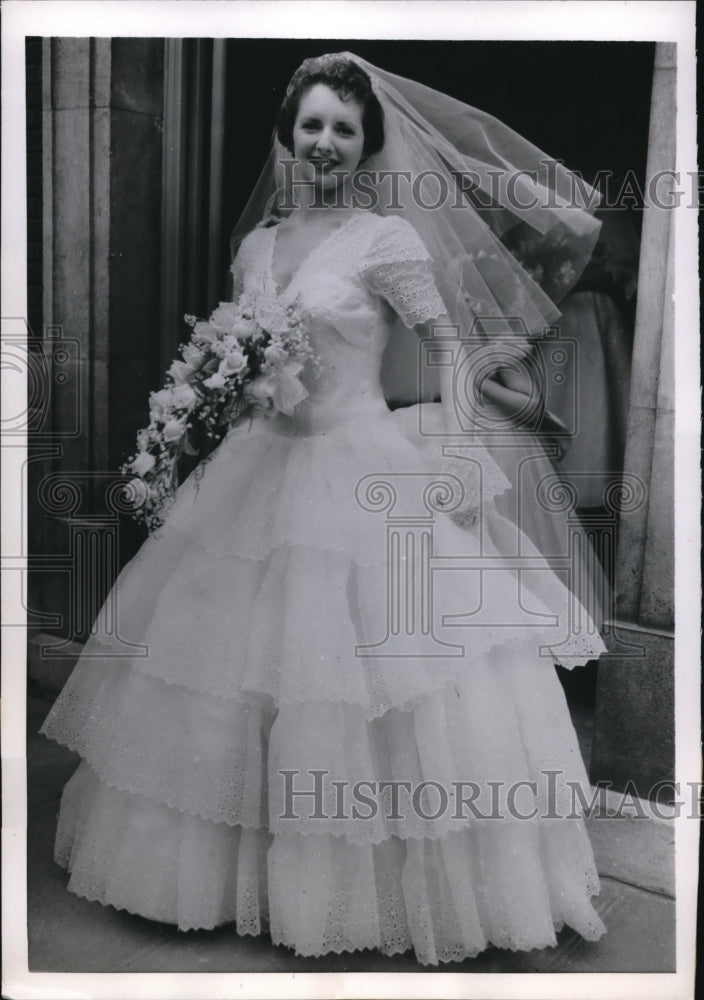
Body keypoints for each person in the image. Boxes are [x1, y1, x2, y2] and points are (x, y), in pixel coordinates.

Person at [40, 52, 609, 965]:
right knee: (226, 676)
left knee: (362, 687)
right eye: (312, 125)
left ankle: (369, 887)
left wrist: (465, 464)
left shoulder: (386, 238)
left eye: (344, 129)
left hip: (360, 466)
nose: (327, 142)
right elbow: (243, 365)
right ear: (289, 135)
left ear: (365, 144)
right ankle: (218, 869)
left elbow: (451, 348)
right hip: (258, 470)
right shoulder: (258, 245)